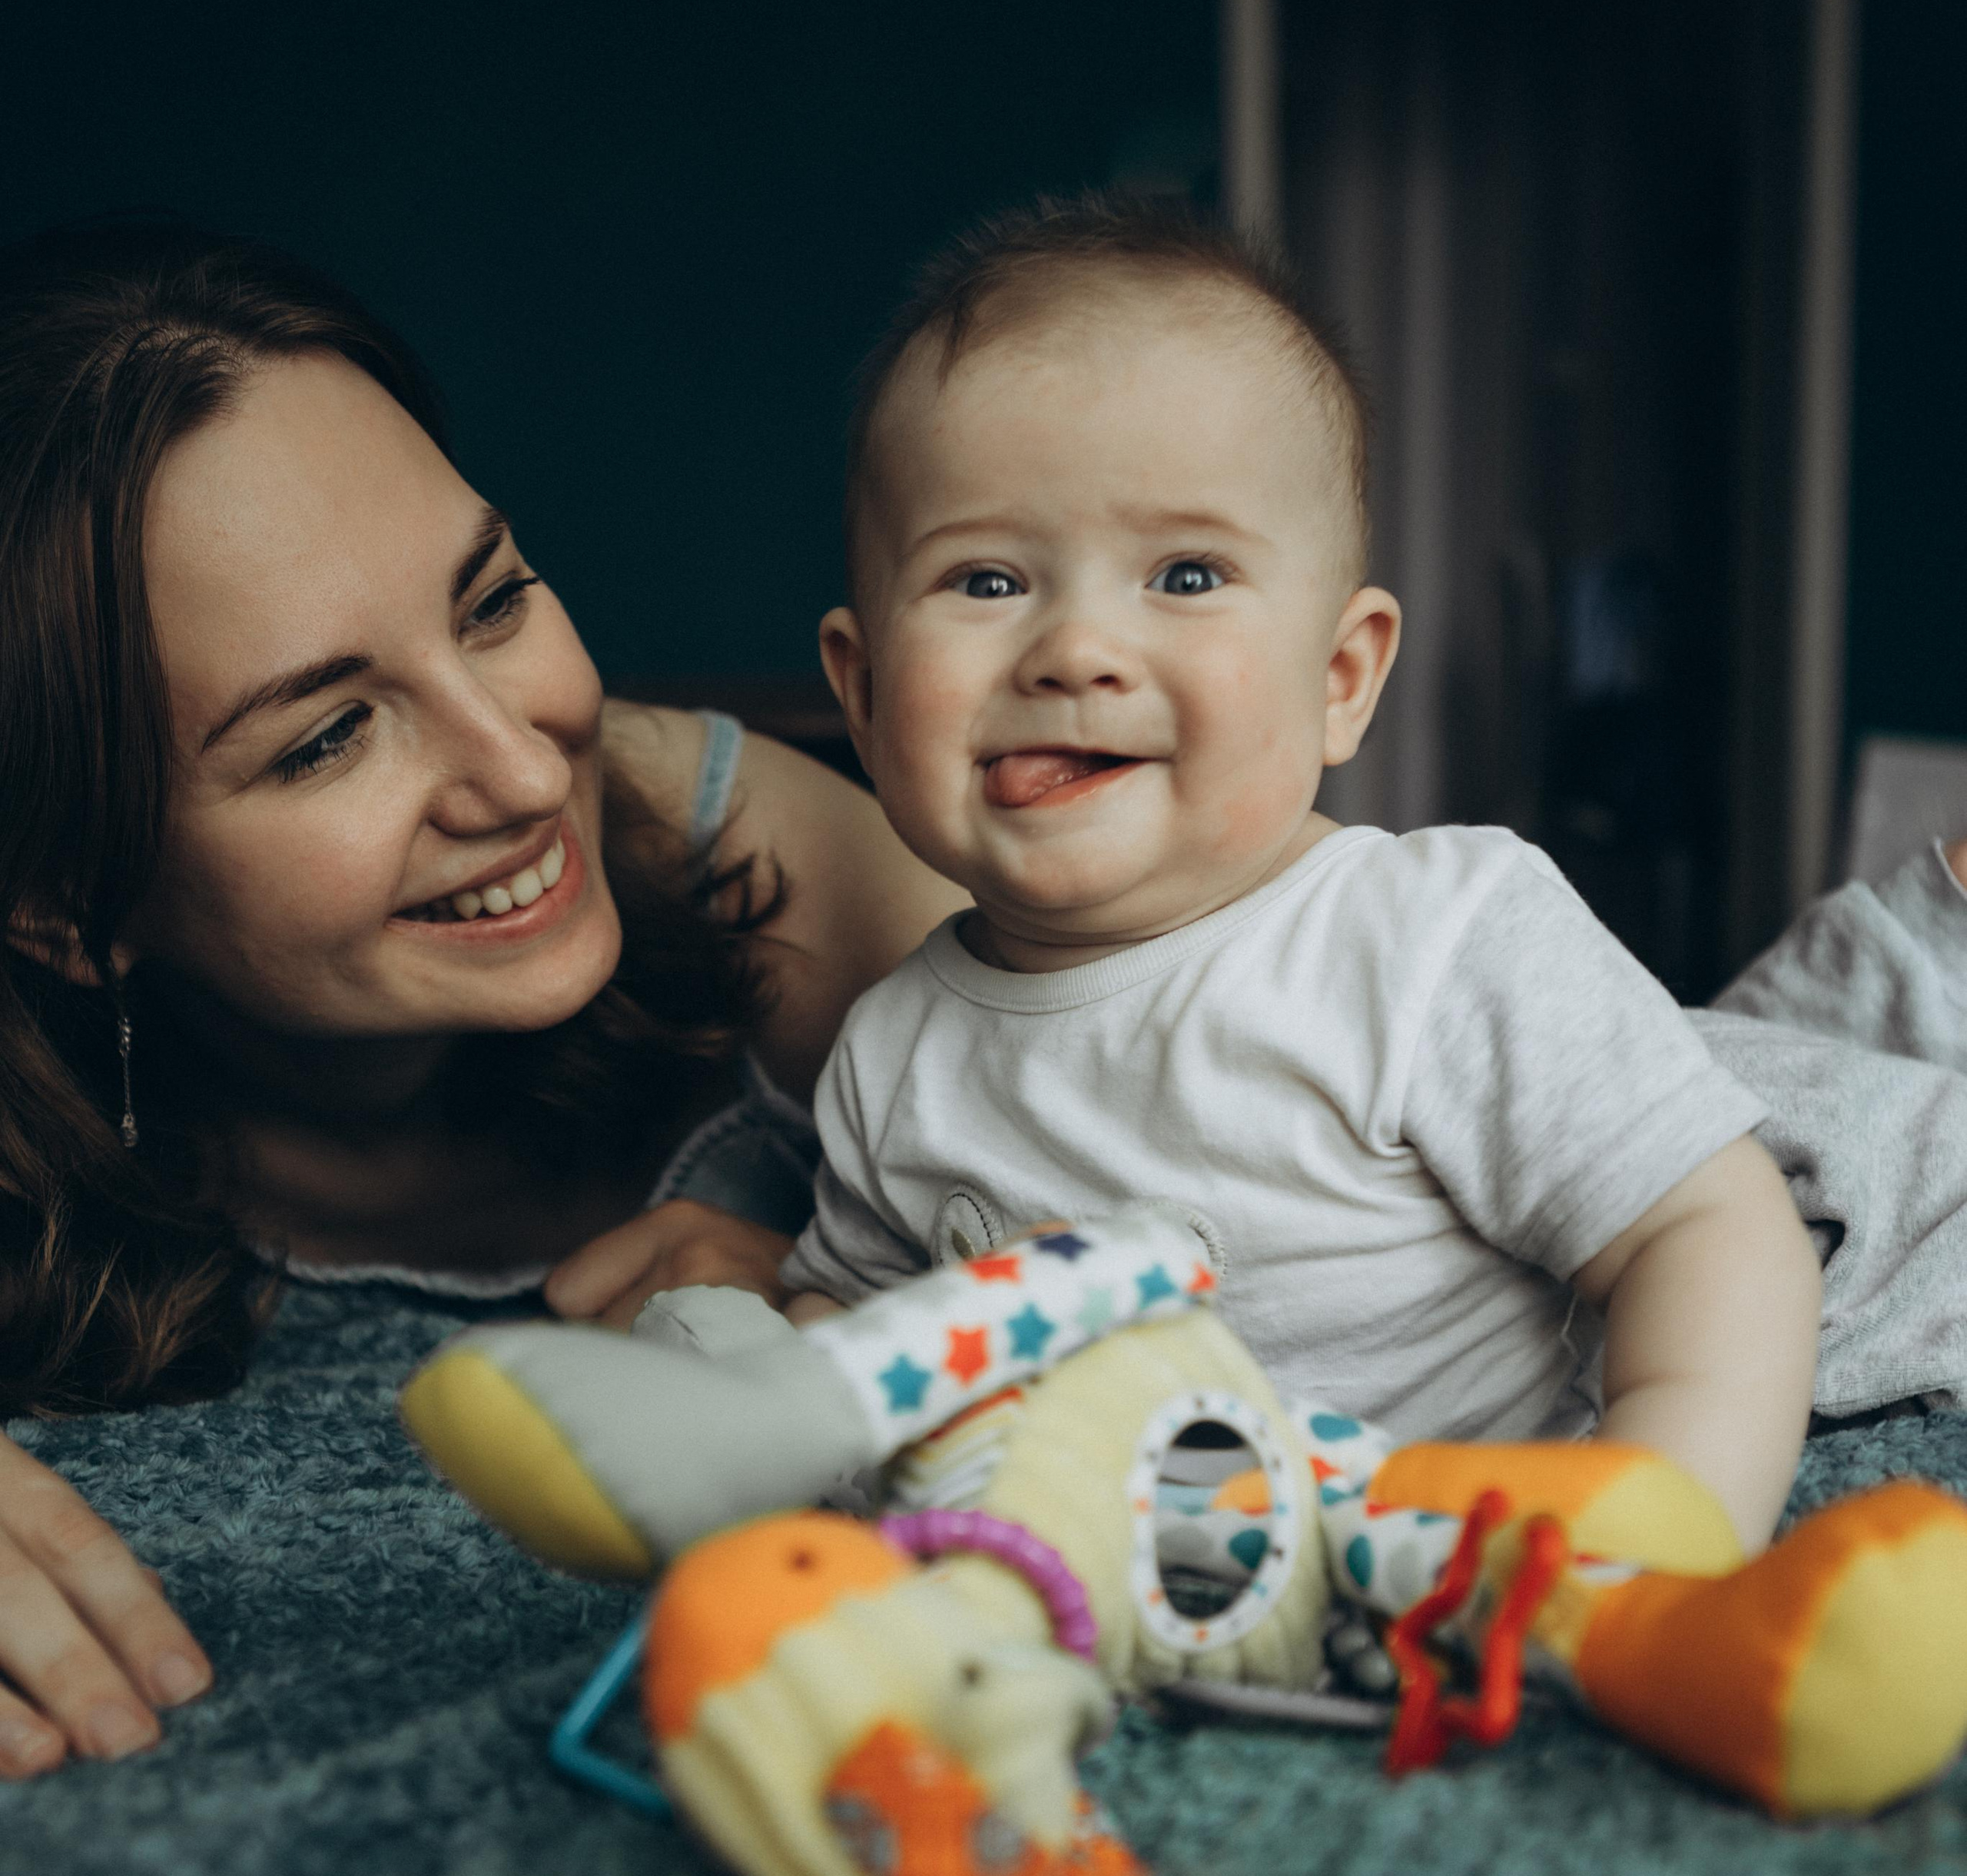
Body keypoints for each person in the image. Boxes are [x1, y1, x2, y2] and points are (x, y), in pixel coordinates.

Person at [781, 197, 1967, 1560]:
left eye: (1183, 573)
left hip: (1542, 1474)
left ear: (1340, 682)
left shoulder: (1428, 936)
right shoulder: (889, 1050)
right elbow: (856, 1326)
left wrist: (1666, 1521)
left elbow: (1705, 1228)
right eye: (987, 580)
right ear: (865, 697)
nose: (1076, 649)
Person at [0, 224, 957, 1779]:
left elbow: (1258, 1166)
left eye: (493, 600)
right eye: (326, 738)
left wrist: (882, 1312)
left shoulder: (714, 836)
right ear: (66, 902)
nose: (525, 769)